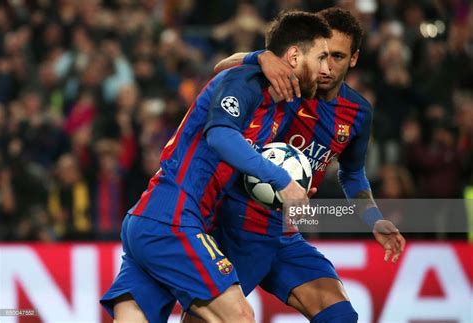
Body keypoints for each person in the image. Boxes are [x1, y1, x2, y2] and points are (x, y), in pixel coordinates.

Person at [100, 11, 332, 323]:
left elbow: (223, 64)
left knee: (134, 317)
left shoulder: (272, 98)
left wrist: (257, 56)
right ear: (293, 55)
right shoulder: (243, 82)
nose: (326, 68)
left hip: (151, 218)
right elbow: (222, 135)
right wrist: (281, 181)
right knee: (238, 316)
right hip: (175, 217)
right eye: (321, 57)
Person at [184, 8, 406, 323]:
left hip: (285, 232)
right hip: (236, 224)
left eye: (339, 57)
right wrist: (261, 56)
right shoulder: (285, 79)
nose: (327, 67)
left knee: (340, 316)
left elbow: (352, 174)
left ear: (354, 59)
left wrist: (374, 220)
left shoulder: (358, 113)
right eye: (323, 55)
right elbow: (223, 66)